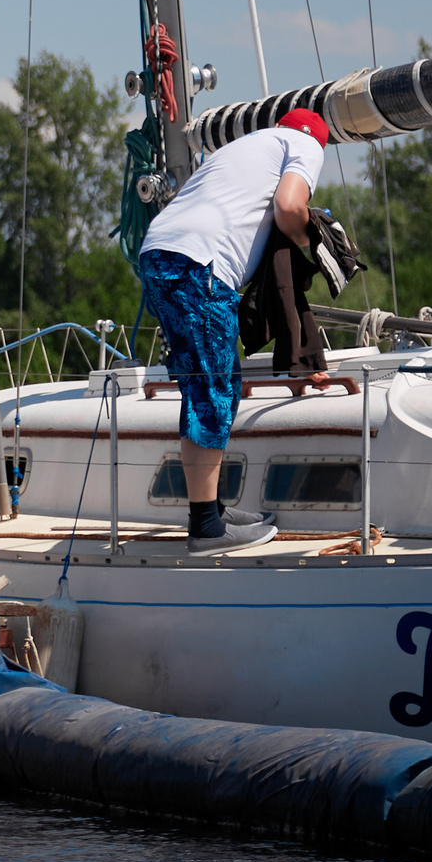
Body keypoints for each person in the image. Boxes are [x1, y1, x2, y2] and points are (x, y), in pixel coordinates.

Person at [136, 108, 331, 552]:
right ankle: (207, 529)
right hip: (199, 267)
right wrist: (312, 238)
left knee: (203, 387)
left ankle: (212, 510)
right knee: (214, 390)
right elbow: (288, 208)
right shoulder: (305, 146)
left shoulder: (246, 146)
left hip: (161, 254)